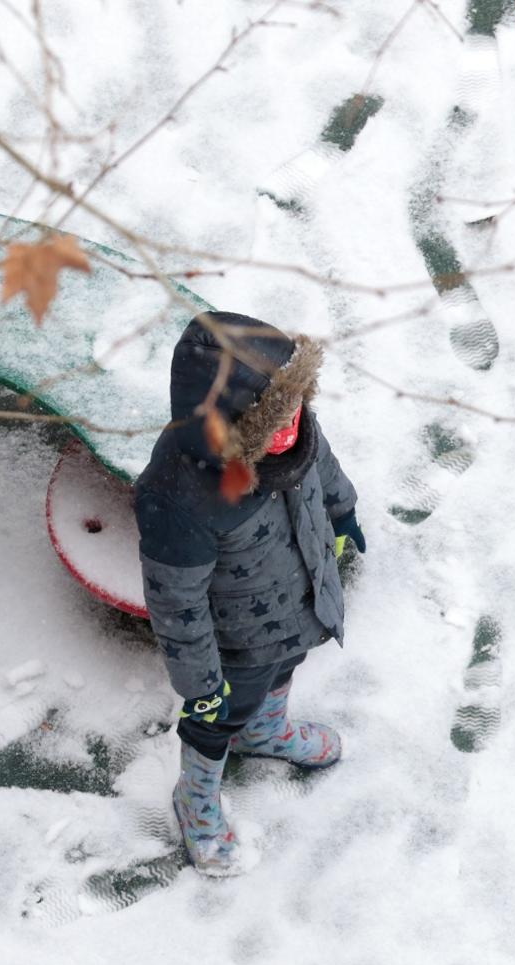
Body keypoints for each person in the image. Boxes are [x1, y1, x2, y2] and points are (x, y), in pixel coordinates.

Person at [135, 312, 365, 876]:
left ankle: (264, 730)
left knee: (288, 660)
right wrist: (201, 685)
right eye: (276, 414)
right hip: (236, 640)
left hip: (300, 599)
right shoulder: (180, 497)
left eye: (296, 406)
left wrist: (342, 508)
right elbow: (177, 605)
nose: (294, 423)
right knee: (219, 717)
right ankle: (196, 798)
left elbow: (322, 466)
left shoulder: (290, 430)